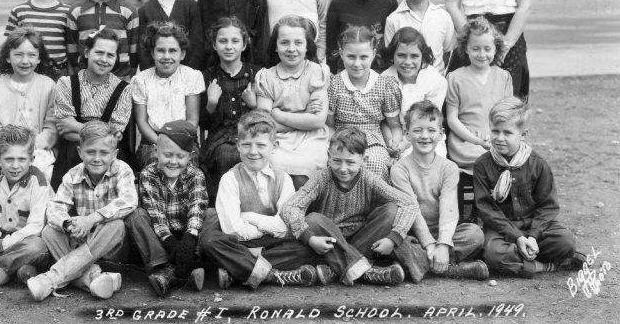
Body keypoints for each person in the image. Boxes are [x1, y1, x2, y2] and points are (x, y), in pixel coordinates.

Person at [281, 126, 419, 286]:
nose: (343, 168)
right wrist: (309, 237)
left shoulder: (370, 180)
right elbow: (290, 207)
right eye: (337, 161)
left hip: (361, 240)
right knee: (313, 220)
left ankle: (335, 269)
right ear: (329, 157)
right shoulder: (321, 179)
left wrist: (394, 237)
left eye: (350, 162)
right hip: (329, 241)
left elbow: (408, 203)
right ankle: (367, 272)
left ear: (364, 160)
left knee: (390, 210)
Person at [198, 111, 319, 290]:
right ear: (238, 145)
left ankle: (238, 269)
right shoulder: (230, 179)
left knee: (307, 245)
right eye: (246, 145)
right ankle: (274, 275)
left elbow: (284, 226)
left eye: (261, 145)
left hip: (270, 244)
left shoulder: (283, 179)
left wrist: (249, 217)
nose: (253, 152)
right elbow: (233, 230)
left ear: (274, 147)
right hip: (239, 244)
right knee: (209, 241)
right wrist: (266, 229)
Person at [475, 97, 586, 277]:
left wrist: (533, 236)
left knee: (566, 241)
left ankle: (524, 257)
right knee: (493, 254)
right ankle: (547, 266)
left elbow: (548, 206)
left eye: (507, 133)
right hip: (502, 229)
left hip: (535, 227)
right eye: (495, 131)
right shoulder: (482, 165)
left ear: (523, 134)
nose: (500, 138)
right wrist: (517, 237)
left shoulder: (538, 164)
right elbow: (485, 208)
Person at [27, 122, 137, 301]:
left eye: (104, 153)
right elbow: (55, 206)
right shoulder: (72, 175)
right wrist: (67, 223)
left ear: (114, 154)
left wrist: (92, 219)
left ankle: (51, 278)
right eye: (90, 152)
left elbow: (129, 200)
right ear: (80, 152)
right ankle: (95, 278)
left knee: (117, 225)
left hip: (111, 249)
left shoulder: (122, 170)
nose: (97, 158)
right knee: (49, 231)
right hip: (80, 244)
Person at [390, 101, 488, 282]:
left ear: (441, 134)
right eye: (417, 130)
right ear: (406, 134)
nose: (424, 136)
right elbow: (412, 210)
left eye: (431, 130)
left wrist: (443, 244)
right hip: (415, 235)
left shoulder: (449, 168)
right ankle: (451, 268)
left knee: (474, 234)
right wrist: (429, 244)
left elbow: (449, 208)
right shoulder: (399, 169)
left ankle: (425, 264)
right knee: (398, 243)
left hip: (446, 234)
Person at [50, 28, 132, 191]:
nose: (104, 59)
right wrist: (102, 132)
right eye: (99, 52)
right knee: (75, 152)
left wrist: (76, 127)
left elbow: (115, 135)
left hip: (109, 153)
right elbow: (66, 130)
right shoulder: (66, 84)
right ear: (87, 52)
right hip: (72, 152)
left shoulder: (124, 89)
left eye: (110, 55)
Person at [255, 15, 330, 190]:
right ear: (275, 46)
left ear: (307, 46)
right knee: (273, 161)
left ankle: (304, 214)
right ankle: (278, 213)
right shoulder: (266, 76)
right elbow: (264, 124)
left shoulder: (317, 72)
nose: (291, 49)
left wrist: (278, 115)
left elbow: (318, 121)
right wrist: (304, 117)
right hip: (277, 138)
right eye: (284, 43)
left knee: (307, 163)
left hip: (312, 137)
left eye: (298, 43)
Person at [137, 121, 208, 296]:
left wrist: (190, 238)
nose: (173, 162)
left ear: (189, 157)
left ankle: (175, 271)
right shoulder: (148, 174)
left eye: (180, 156)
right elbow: (155, 214)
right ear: (156, 152)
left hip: (188, 237)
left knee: (211, 215)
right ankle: (168, 267)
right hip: (161, 236)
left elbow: (196, 209)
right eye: (167, 155)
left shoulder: (195, 175)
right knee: (137, 216)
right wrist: (171, 244)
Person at [327, 26, 402, 182]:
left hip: (372, 141)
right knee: (338, 164)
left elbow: (394, 125)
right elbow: (329, 126)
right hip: (341, 139)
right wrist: (332, 146)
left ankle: (374, 205)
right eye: (351, 56)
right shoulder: (334, 85)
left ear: (373, 54)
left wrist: (395, 148)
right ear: (341, 54)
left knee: (375, 163)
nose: (357, 63)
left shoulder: (384, 85)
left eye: (363, 57)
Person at [0, 126, 52, 285]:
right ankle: (22, 269)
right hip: (3, 241)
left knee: (36, 247)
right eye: (8, 159)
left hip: (30, 242)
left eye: (22, 159)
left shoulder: (39, 183)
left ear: (32, 159)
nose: (15, 166)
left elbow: (36, 228)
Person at [200, 17, 260, 206]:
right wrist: (211, 103)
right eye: (223, 41)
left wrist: (253, 106)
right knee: (228, 155)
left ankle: (253, 204)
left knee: (253, 152)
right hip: (220, 137)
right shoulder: (207, 76)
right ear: (214, 45)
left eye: (235, 41)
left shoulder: (257, 74)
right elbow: (204, 124)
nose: (229, 46)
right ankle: (222, 208)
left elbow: (265, 117)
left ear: (244, 45)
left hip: (252, 133)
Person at [132, 21, 205, 169]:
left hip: (185, 140)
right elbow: (142, 123)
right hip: (152, 142)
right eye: (160, 50)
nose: (166, 56)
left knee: (189, 165)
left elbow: (192, 119)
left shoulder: (191, 76)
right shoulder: (141, 80)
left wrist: (176, 144)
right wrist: (162, 143)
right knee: (155, 162)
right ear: (152, 52)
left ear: (182, 54)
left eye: (172, 51)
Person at [0, 27, 57, 176]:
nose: (25, 61)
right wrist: (8, 147)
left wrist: (31, 147)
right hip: (5, 152)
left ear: (39, 58)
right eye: (18, 55)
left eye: (31, 55)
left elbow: (51, 127)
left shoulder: (48, 85)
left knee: (45, 176)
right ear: (8, 57)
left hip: (38, 152)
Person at [446, 17, 513, 175]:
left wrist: (498, 137)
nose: (482, 54)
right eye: (475, 48)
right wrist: (476, 140)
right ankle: (485, 198)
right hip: (466, 143)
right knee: (488, 160)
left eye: (487, 49)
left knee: (525, 159)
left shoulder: (504, 77)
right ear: (466, 48)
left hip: (497, 138)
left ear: (495, 49)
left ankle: (502, 197)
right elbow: (452, 119)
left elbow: (509, 116)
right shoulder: (455, 78)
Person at [67, 0, 139, 81]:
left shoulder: (128, 11)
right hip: (86, 81)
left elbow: (134, 51)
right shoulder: (77, 10)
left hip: (120, 81)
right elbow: (72, 50)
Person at [381, 27, 448, 158]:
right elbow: (382, 120)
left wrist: (405, 144)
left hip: (426, 135)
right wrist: (391, 141)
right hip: (393, 136)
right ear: (392, 55)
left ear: (423, 56)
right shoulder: (383, 80)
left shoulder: (435, 81)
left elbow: (429, 120)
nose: (407, 62)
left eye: (414, 56)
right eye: (401, 55)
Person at [384, 0, 454, 75]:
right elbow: (390, 57)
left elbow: (447, 53)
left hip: (435, 86)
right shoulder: (394, 20)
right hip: (404, 86)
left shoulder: (443, 17)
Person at [5, 0, 70, 81]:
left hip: (59, 76)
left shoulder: (68, 13)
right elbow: (9, 48)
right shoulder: (19, 11)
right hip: (27, 73)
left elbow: (72, 51)